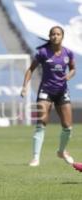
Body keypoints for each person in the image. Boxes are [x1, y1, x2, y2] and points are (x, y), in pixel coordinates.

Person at [21, 26, 76, 167]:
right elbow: (30, 69)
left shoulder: (68, 53)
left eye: (58, 34)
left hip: (62, 92)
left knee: (68, 127)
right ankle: (35, 157)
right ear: (49, 36)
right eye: (53, 34)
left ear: (62, 37)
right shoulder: (43, 53)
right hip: (45, 91)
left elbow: (73, 68)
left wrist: (69, 75)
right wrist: (24, 87)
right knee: (41, 123)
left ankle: (62, 151)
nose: (55, 36)